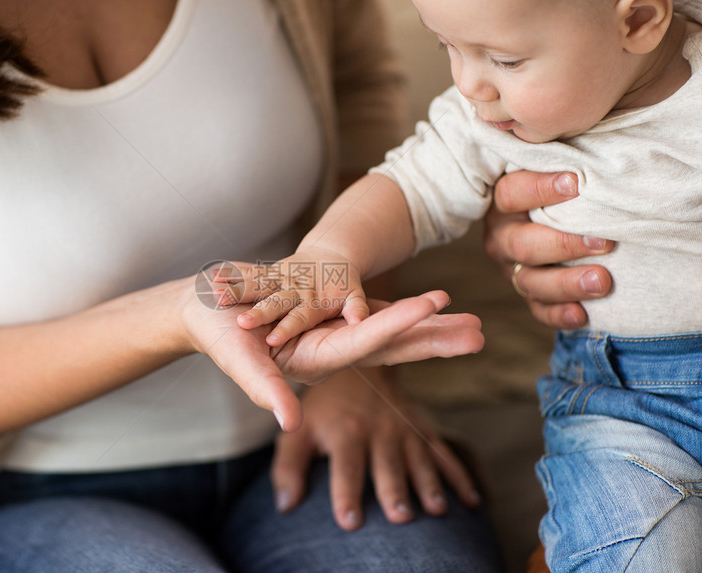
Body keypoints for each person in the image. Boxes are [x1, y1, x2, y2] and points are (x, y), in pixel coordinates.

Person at [0, 1, 604, 571]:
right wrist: (174, 315)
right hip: (25, 491)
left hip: (315, 436)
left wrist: (357, 370)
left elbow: (363, 108)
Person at [234, 0, 702, 570]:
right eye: (448, 47)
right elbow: (409, 189)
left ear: (638, 20)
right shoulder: (486, 121)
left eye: (505, 59)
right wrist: (326, 257)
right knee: (639, 551)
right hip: (624, 405)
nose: (469, 84)